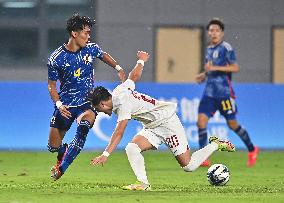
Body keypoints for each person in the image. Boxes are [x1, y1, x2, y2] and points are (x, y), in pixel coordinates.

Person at [89, 51, 236, 191]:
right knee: (132, 148)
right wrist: (141, 60)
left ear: (102, 104)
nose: (99, 112)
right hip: (151, 127)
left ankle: (216, 144)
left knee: (188, 166)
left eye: (97, 108)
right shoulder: (118, 91)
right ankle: (143, 183)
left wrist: (105, 154)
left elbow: (119, 132)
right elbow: (133, 76)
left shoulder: (122, 105)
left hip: (167, 123)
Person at [47, 13, 126, 180]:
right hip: (66, 105)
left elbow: (103, 55)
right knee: (53, 146)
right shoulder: (56, 58)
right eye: (86, 33)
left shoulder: (90, 48)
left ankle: (62, 168)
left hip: (87, 102)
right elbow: (51, 86)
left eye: (89, 33)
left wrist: (118, 68)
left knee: (83, 127)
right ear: (74, 34)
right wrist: (59, 105)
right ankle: (62, 152)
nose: (88, 36)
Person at [195, 18, 259, 167]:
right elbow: (210, 69)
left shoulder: (226, 48)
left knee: (232, 124)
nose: (214, 33)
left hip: (224, 94)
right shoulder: (209, 49)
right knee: (201, 122)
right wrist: (203, 75)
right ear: (208, 32)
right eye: (211, 30)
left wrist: (216, 68)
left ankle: (252, 148)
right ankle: (203, 157)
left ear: (222, 33)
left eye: (217, 30)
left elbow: (235, 67)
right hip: (209, 93)